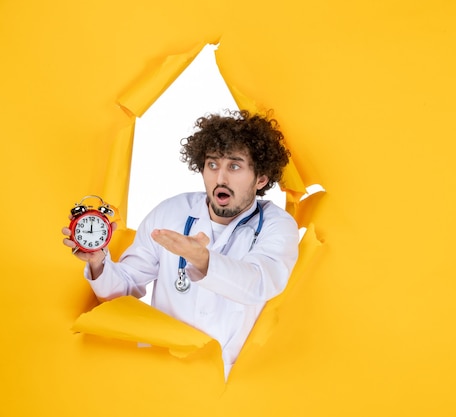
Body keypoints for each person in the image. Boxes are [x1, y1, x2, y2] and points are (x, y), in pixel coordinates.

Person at [62, 110, 300, 379]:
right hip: (163, 374)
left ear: (261, 179)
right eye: (212, 165)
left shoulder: (277, 225)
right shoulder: (171, 213)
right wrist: (97, 260)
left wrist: (203, 260)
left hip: (228, 378)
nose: (220, 178)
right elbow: (125, 289)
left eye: (234, 166)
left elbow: (259, 283)